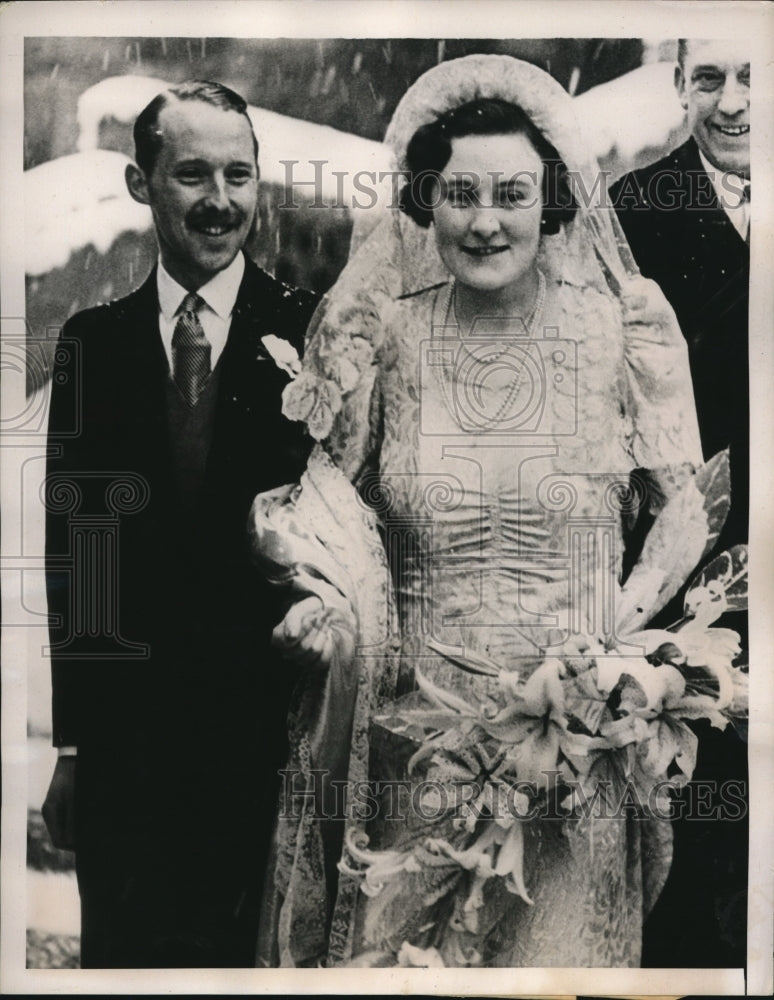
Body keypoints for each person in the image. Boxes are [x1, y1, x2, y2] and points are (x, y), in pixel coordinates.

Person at [249, 55, 742, 968]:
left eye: (512, 193)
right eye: (460, 193)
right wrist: (323, 606)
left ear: (553, 202)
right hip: (417, 759)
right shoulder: (381, 339)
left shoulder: (626, 327)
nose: (484, 220)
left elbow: (689, 510)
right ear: (423, 201)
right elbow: (326, 513)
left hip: (581, 758)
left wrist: (621, 641)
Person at [41, 79, 318, 967]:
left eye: (240, 175)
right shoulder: (93, 344)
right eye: (192, 174)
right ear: (141, 183)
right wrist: (77, 747)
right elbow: (80, 560)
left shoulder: (312, 336)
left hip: (265, 743)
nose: (221, 200)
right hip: (131, 751)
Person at [611, 39, 750, 969]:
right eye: (710, 78)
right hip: (700, 583)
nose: (733, 101)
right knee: (702, 832)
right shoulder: (635, 213)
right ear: (678, 87)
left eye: (754, 75)